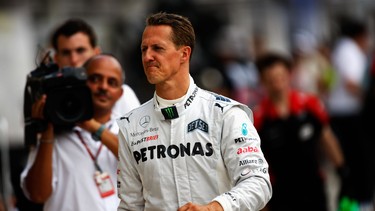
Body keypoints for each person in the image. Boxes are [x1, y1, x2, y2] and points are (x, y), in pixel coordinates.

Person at [116, 12, 272, 210]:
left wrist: (215, 207)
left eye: (157, 48)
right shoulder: (131, 125)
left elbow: (258, 183)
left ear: (184, 54)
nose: (148, 57)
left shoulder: (225, 114)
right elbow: (130, 205)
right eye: (144, 49)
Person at [21, 54, 123, 211]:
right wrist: (47, 132)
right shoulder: (54, 130)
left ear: (120, 93)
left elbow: (140, 164)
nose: (103, 87)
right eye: (95, 79)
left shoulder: (128, 127)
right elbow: (38, 195)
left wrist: (92, 126)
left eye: (112, 82)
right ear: (82, 84)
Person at [253, 53, 345, 211]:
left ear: (289, 75)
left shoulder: (310, 105)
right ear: (263, 81)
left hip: (313, 187)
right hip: (280, 194)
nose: (277, 83)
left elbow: (327, 138)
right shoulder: (258, 119)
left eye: (281, 77)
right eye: (271, 79)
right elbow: (254, 162)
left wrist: (343, 172)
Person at [326, 17, 374, 210]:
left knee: (352, 165)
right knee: (359, 164)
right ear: (360, 35)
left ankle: (352, 203)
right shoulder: (350, 50)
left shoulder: (341, 49)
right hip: (349, 116)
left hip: (342, 115)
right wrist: (368, 98)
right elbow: (351, 83)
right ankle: (358, 204)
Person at [51, 18, 140, 118]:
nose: (74, 60)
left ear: (97, 53)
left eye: (80, 51)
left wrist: (93, 127)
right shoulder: (49, 97)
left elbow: (139, 133)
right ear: (56, 59)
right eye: (66, 53)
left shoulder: (123, 96)